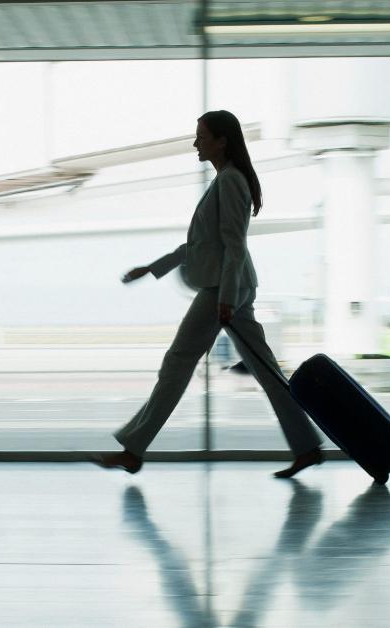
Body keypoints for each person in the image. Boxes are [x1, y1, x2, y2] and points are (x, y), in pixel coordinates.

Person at [92, 110, 324, 478]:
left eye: (202, 136)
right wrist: (153, 268)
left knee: (177, 363)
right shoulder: (225, 181)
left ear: (221, 141)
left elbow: (233, 246)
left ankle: (134, 449)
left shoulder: (230, 182)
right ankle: (307, 447)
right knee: (265, 372)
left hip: (222, 289)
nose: (195, 143)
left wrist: (226, 300)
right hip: (229, 287)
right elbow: (201, 246)